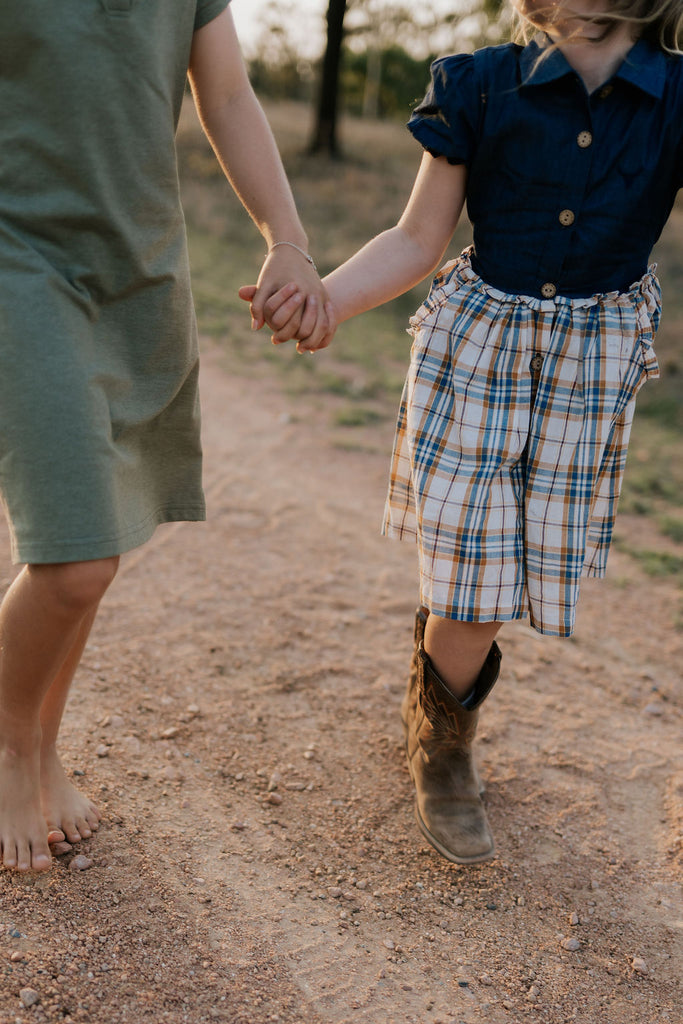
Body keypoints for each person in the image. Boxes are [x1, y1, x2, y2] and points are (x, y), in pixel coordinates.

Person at [245, 0, 683, 864]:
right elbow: (417, 238)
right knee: (474, 585)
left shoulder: (674, 97)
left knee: (505, 570)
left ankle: (434, 683)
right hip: (476, 347)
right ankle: (443, 751)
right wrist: (324, 300)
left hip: (592, 363)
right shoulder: (478, 84)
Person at [0, 1, 334, 873]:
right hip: (18, 257)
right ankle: (6, 742)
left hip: (137, 265)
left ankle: (42, 744)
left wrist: (288, 241)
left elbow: (225, 96)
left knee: (102, 528)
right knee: (75, 558)